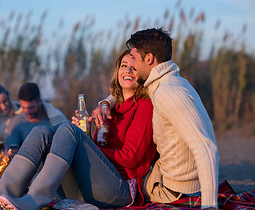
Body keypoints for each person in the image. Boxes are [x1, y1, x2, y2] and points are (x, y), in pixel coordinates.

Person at [0, 49, 157, 210]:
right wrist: (87, 137)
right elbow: (98, 156)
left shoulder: (145, 105)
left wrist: (84, 144)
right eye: (124, 66)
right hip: (91, 187)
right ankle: (1, 194)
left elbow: (130, 157)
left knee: (67, 130)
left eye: (134, 67)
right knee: (42, 132)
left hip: (118, 192)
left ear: (142, 72)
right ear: (117, 71)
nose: (128, 71)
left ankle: (36, 198)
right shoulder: (108, 107)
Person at [94, 28, 219, 209]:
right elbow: (132, 89)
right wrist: (105, 103)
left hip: (171, 189)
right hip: (166, 176)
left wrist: (209, 205)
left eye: (134, 59)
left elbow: (206, 148)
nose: (132, 66)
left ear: (149, 59)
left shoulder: (168, 92)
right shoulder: (171, 83)